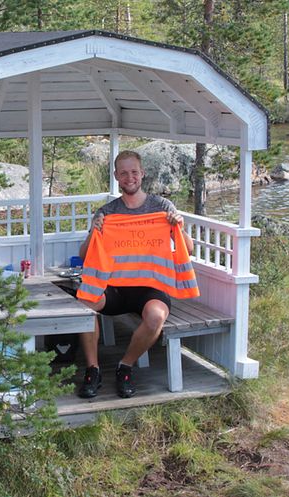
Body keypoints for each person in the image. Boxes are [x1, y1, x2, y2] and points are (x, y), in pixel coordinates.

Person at [77, 150, 194, 399]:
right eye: (123, 173)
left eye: (134, 172)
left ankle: (125, 366)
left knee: (155, 317)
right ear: (116, 177)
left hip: (150, 286)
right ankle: (93, 369)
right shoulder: (107, 212)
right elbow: (85, 254)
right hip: (115, 287)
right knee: (85, 304)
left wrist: (177, 228)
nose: (129, 177)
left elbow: (189, 248)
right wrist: (94, 232)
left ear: (142, 174)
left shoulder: (162, 207)